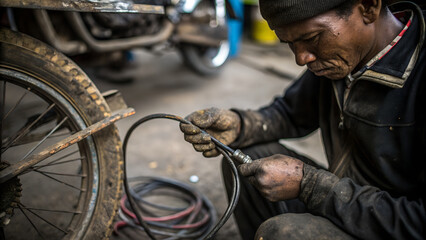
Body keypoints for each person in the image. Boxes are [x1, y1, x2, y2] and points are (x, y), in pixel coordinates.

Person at [179, 0, 426, 239]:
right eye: (289, 43)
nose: (301, 58)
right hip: (344, 198)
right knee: (246, 160)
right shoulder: (338, 58)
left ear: (369, 7)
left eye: (311, 38)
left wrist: (310, 185)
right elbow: (291, 113)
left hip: (393, 223)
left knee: (283, 233)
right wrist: (241, 125)